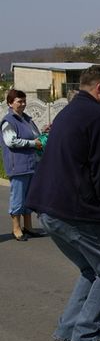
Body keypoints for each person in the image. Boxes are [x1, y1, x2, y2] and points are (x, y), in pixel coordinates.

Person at [25, 65, 100, 341]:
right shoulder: (99, 117)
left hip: (47, 206)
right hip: (75, 209)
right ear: (99, 89)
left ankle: (66, 330)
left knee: (90, 269)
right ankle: (86, 334)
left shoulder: (67, 112)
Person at [1, 89, 43, 241]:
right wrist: (33, 143)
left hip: (31, 164)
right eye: (19, 101)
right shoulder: (8, 121)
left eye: (24, 101)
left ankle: (28, 226)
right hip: (17, 165)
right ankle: (16, 228)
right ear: (10, 103)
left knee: (29, 197)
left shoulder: (27, 119)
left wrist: (42, 135)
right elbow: (10, 141)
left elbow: (35, 136)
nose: (23, 104)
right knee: (18, 198)